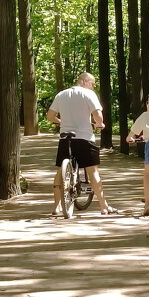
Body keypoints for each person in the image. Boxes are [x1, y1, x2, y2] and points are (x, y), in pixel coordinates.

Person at [46, 72, 117, 216]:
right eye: (92, 83)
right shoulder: (88, 94)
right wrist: (99, 124)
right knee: (93, 172)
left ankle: (56, 206)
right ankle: (103, 207)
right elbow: (98, 114)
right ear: (85, 81)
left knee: (60, 171)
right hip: (84, 138)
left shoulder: (61, 94)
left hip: (65, 138)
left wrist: (61, 122)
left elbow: (50, 116)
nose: (93, 86)